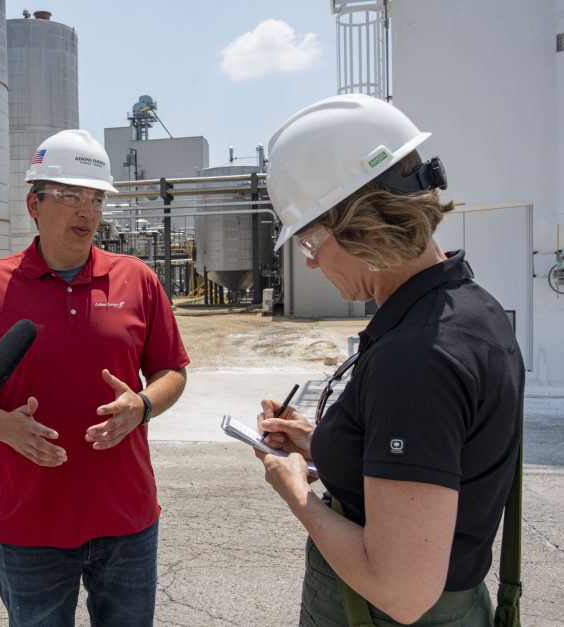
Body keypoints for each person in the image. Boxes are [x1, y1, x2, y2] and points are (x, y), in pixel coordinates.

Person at [253, 93, 523, 626]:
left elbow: (402, 591)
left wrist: (295, 492)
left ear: (360, 226)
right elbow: (440, 454)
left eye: (310, 241)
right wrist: (327, 443)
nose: (310, 264)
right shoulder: (470, 309)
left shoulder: (417, 358)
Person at [0, 129, 189, 626]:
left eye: (96, 199)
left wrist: (143, 405)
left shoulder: (137, 279)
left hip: (127, 519)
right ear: (34, 202)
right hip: (30, 522)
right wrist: (2, 425)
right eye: (70, 196)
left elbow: (171, 371)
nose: (87, 212)